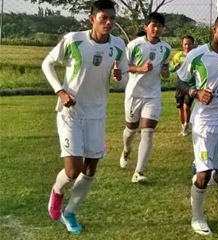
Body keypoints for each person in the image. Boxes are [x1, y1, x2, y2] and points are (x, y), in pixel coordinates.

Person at [42, 0, 128, 233]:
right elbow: (47, 63)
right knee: (73, 170)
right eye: (104, 18)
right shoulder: (74, 40)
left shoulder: (119, 45)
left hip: (97, 114)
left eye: (112, 18)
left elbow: (125, 79)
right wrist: (60, 91)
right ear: (92, 19)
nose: (109, 23)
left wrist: (120, 76)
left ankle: (70, 212)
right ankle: (57, 191)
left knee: (90, 168)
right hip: (71, 113)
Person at [177, 13, 218, 235]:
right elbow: (180, 81)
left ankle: (201, 170)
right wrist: (196, 92)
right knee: (204, 176)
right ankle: (197, 218)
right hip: (203, 121)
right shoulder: (197, 55)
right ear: (214, 30)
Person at [118, 13, 171, 182]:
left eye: (159, 26)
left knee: (148, 132)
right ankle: (126, 149)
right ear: (146, 27)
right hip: (134, 93)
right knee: (131, 129)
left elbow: (165, 72)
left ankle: (138, 172)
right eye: (153, 25)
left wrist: (165, 73)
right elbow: (123, 66)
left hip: (153, 94)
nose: (156, 29)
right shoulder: (135, 45)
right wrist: (140, 69)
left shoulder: (166, 48)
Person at [170, 35, 195, 136]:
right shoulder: (178, 56)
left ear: (192, 45)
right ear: (182, 44)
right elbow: (171, 69)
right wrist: (174, 67)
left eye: (189, 44)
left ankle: (186, 125)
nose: (187, 46)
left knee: (186, 107)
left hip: (190, 85)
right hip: (180, 84)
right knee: (180, 107)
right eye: (185, 44)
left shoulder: (195, 56)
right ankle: (182, 126)